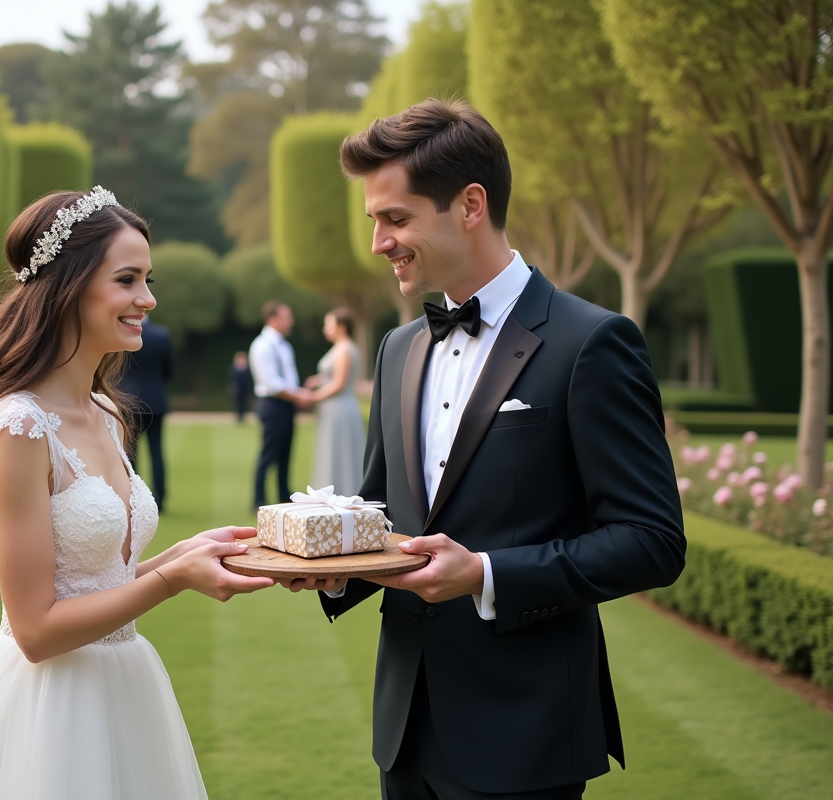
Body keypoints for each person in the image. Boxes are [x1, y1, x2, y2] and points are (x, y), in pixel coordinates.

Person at [288, 99, 686, 799]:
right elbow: (384, 508)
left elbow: (652, 540)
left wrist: (484, 574)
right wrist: (333, 566)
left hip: (525, 731)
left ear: (470, 205)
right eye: (373, 220)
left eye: (396, 218)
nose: (379, 241)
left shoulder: (591, 343)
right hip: (403, 727)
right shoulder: (399, 347)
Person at [0, 187, 273, 800]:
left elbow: (96, 581)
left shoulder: (104, 412)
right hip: (51, 708)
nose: (147, 299)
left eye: (147, 279)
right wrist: (172, 581)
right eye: (128, 280)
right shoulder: (18, 426)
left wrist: (183, 554)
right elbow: (37, 629)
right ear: (68, 287)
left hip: (126, 683)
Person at [248, 301, 311, 508]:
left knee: (285, 452)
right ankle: (258, 498)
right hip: (272, 403)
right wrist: (298, 395)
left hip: (285, 404)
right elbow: (271, 382)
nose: (290, 320)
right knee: (269, 452)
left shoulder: (284, 344)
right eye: (286, 316)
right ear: (273, 319)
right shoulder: (262, 345)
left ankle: (284, 495)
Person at [305, 307, 366, 495]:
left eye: (329, 324)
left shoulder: (345, 350)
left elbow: (339, 383)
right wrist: (318, 380)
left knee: (341, 453)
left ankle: (344, 492)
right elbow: (332, 377)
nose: (326, 328)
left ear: (342, 327)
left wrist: (312, 397)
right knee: (332, 452)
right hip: (333, 409)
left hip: (340, 408)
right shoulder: (339, 348)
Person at [119, 314, 173, 510]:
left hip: (129, 399)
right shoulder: (162, 335)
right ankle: (161, 497)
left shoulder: (123, 334)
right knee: (157, 451)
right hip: (156, 401)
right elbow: (168, 370)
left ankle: (134, 496)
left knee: (130, 452)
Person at [228, 351, 252, 423]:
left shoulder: (246, 369)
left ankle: (242, 417)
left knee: (244, 404)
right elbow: (232, 380)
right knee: (238, 404)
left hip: (245, 389)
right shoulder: (234, 369)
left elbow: (249, 380)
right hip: (237, 390)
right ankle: (238, 417)